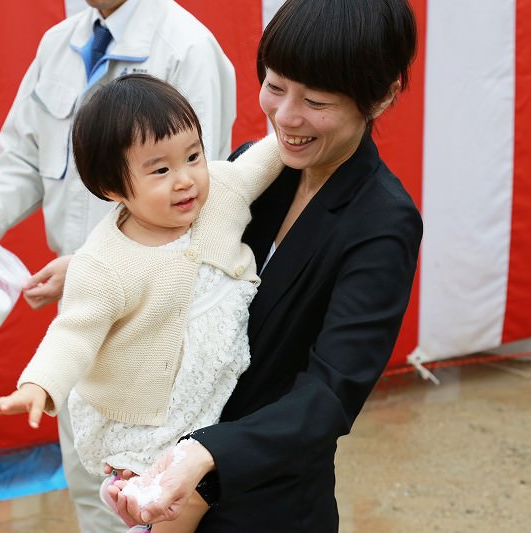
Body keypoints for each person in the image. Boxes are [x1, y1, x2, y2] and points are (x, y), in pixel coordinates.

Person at [107, 0, 422, 531]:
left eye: (316, 100)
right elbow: (186, 250)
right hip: (171, 477)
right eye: (275, 87)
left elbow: (328, 395)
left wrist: (204, 453)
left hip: (269, 500)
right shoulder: (262, 163)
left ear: (384, 94)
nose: (287, 117)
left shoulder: (382, 221)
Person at [0, 1, 236, 531]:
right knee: (93, 486)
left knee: (161, 495)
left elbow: (199, 196)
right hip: (85, 309)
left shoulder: (185, 46)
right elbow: (23, 155)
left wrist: (88, 266)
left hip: (158, 322)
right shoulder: (59, 44)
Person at [0, 74, 283, 532]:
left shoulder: (221, 191)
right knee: (178, 500)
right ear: (113, 188)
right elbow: (74, 334)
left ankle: (140, 499)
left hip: (214, 393)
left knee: (202, 483)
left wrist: (292, 131)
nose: (185, 180)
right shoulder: (104, 262)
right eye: (159, 170)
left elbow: (265, 156)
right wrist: (38, 385)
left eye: (193, 156)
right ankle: (136, 492)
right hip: (145, 417)